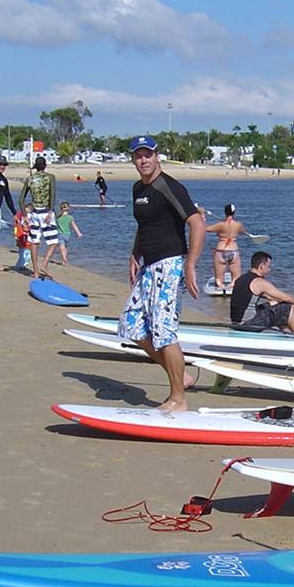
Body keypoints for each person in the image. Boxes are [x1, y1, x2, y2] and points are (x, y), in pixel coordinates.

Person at [118, 135, 204, 413]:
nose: (143, 160)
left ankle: (178, 399)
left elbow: (197, 223)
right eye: (138, 156)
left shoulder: (169, 186)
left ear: (157, 157)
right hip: (149, 266)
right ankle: (181, 375)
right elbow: (144, 226)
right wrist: (135, 253)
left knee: (164, 332)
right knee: (131, 325)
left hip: (170, 265)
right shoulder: (137, 190)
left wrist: (191, 264)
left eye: (148, 155)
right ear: (133, 159)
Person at [229, 251, 294, 334]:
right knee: (286, 307)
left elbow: (271, 298)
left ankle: (287, 333)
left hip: (236, 323)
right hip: (248, 325)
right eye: (268, 267)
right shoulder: (259, 282)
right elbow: (287, 297)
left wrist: (288, 303)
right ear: (261, 266)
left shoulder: (241, 279)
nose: (269, 270)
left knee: (276, 305)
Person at [19, 155, 59, 279]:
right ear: (45, 166)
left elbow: (21, 199)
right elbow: (52, 195)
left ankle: (35, 271)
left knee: (34, 242)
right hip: (46, 211)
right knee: (53, 242)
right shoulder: (50, 177)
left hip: (34, 213)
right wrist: (51, 211)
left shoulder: (30, 179)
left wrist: (25, 216)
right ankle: (45, 264)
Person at [205, 203, 246, 291]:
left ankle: (220, 285)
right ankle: (233, 284)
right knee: (236, 278)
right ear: (234, 212)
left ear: (225, 212)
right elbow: (242, 231)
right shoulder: (238, 225)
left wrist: (202, 216)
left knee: (219, 279)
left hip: (221, 251)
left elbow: (206, 229)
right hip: (233, 251)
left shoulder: (220, 225)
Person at [55, 201, 83, 266]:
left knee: (62, 247)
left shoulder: (58, 217)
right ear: (69, 208)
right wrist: (78, 233)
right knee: (65, 247)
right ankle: (64, 260)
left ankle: (64, 259)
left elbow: (56, 216)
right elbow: (74, 226)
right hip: (67, 234)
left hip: (60, 233)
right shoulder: (70, 217)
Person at [13, 201, 31, 273]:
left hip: (27, 238)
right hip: (21, 236)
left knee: (27, 253)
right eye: (28, 209)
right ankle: (20, 265)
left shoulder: (29, 216)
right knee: (22, 252)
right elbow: (16, 226)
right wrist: (16, 235)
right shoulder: (21, 215)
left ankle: (23, 265)